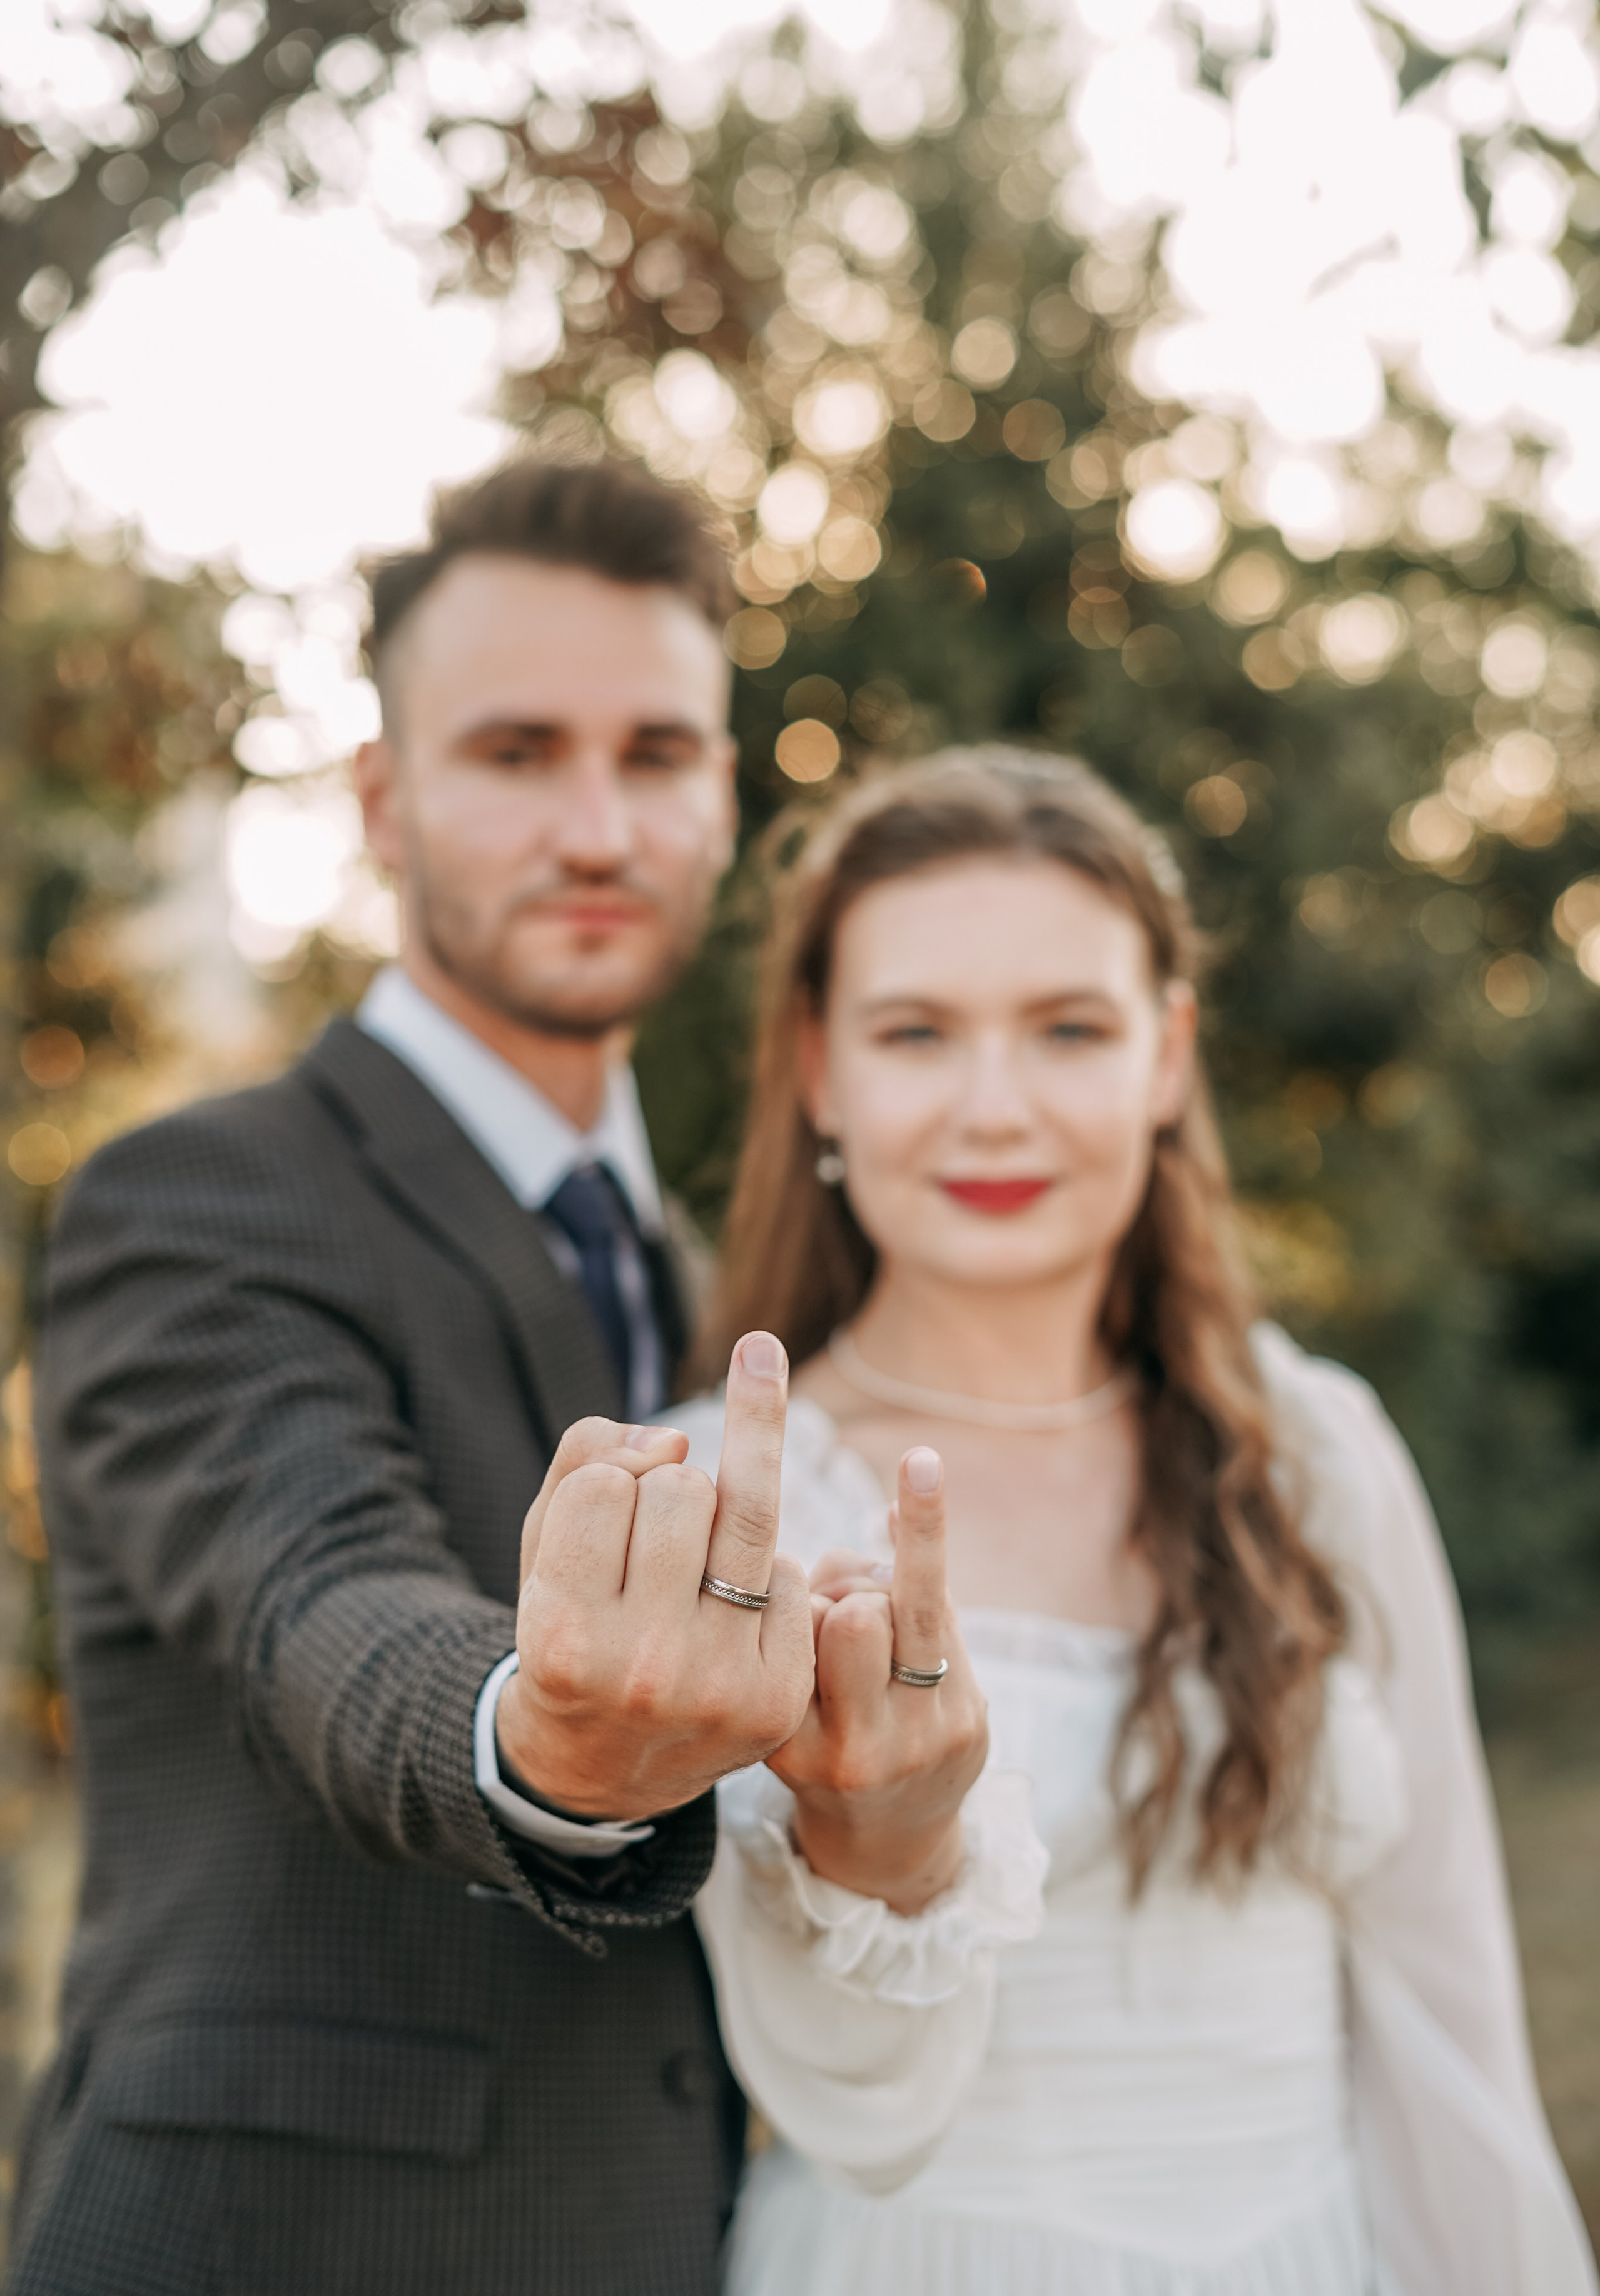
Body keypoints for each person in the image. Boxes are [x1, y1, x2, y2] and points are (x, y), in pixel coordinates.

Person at [12, 458, 965, 2296]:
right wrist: (544, 1739)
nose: (599, 827)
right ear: (383, 802)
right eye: (518, 753)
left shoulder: (703, 1273)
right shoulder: (203, 1194)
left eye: (659, 755)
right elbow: (316, 1600)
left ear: (722, 790)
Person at [668, 746, 1599, 2296]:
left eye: (1067, 1030)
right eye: (915, 1033)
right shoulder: (738, 1495)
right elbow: (831, 2081)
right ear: (816, 1066)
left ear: (1165, 1058)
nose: (994, 1108)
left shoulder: (1315, 1452)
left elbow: (1445, 2012)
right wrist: (879, 1842)